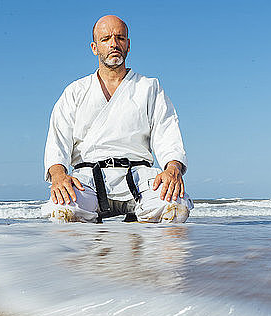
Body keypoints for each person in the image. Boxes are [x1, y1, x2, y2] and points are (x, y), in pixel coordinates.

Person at [42, 15, 193, 223]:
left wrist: (173, 169)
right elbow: (57, 140)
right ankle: (93, 254)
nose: (114, 43)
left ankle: (142, 250)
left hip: (139, 175)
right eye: (106, 39)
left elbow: (167, 133)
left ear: (128, 45)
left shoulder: (149, 87)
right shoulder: (75, 91)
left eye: (120, 38)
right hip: (88, 177)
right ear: (94, 47)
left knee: (175, 207)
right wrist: (58, 176)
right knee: (61, 211)